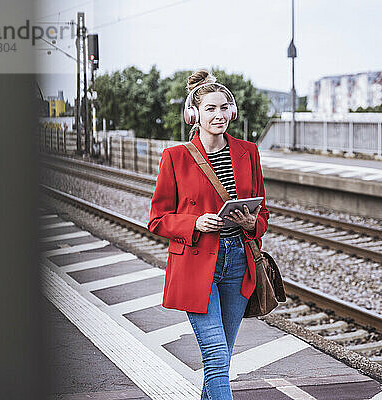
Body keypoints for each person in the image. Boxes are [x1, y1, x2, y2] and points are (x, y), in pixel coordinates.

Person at [147, 69, 269, 400]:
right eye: (210, 108)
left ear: (233, 111)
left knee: (221, 359)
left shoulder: (248, 152)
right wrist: (194, 223)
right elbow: (158, 219)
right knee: (215, 357)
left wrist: (250, 224)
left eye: (224, 107)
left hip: (238, 263)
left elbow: (264, 215)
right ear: (194, 115)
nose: (219, 115)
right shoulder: (175, 157)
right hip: (196, 264)